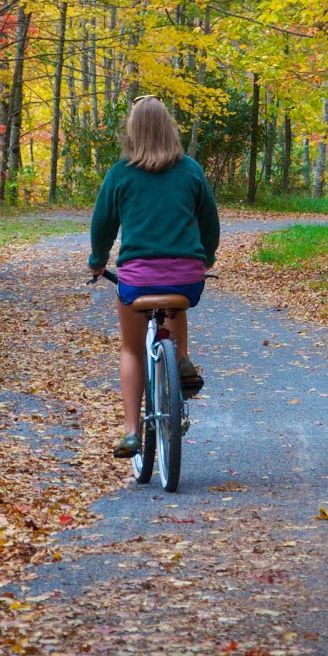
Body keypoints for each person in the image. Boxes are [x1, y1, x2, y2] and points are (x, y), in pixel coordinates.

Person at [89, 96, 220, 459]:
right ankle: (181, 358)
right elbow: (210, 222)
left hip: (138, 279)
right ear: (169, 127)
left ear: (132, 130)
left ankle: (132, 432)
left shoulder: (121, 173)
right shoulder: (191, 170)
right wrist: (206, 258)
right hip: (187, 277)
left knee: (132, 349)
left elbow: (102, 225)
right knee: (175, 301)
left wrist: (98, 261)